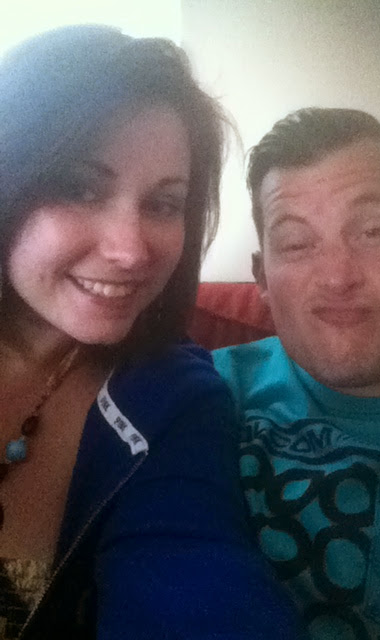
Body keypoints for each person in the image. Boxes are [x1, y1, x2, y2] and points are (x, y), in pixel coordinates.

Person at [0, 25, 304, 640]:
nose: (131, 250)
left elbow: (194, 577)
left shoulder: (175, 398)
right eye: (81, 188)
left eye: (164, 204)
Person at [214, 108, 380, 639]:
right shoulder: (206, 391)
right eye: (297, 243)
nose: (337, 277)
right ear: (262, 277)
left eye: (372, 231)